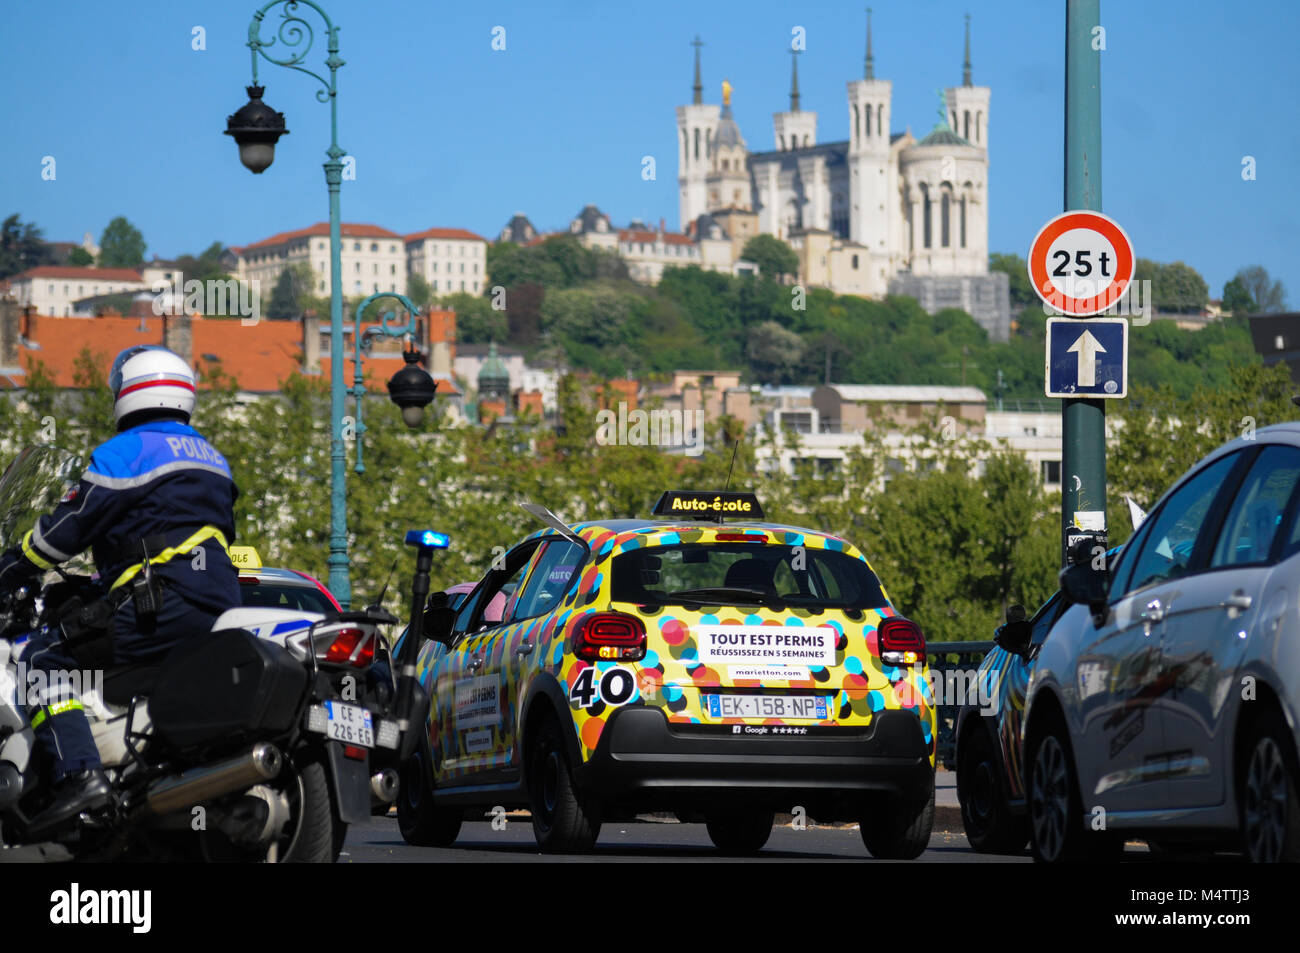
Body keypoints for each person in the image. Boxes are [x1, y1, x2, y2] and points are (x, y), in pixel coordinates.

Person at [0, 345, 240, 832]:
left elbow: (65, 528)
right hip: (217, 604)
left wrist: (12, 565)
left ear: (127, 391)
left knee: (43, 662)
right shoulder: (213, 458)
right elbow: (170, 526)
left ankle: (79, 775)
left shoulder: (127, 451)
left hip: (159, 601)